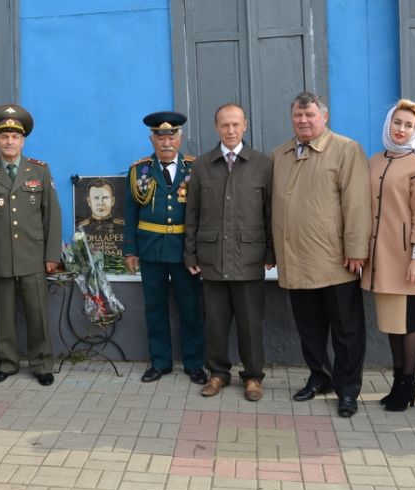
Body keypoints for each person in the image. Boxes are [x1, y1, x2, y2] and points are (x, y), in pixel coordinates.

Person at [271, 91, 371, 417]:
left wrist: (357, 249)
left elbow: (357, 203)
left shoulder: (345, 149)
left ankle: (348, 389)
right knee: (310, 329)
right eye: (298, 116)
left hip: (336, 261)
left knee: (346, 330)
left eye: (310, 115)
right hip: (295, 259)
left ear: (323, 117)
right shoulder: (280, 155)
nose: (303, 121)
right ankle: (319, 377)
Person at [0, 104, 62, 386]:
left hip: (34, 256)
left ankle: (42, 364)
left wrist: (52, 255)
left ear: (23, 141)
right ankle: (7, 363)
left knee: (37, 315)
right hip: (0, 258)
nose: (10, 141)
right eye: (4, 137)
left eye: (15, 137)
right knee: (4, 316)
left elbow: (52, 217)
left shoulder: (40, 171)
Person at [184, 103, 273, 400]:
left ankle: (253, 377)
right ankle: (218, 374)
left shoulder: (263, 164)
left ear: (245, 125)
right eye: (225, 125)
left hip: (249, 259)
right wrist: (191, 254)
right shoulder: (202, 165)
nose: (231, 130)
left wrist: (271, 252)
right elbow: (192, 214)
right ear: (216, 128)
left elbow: (270, 213)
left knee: (250, 324)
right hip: (212, 258)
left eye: (236, 124)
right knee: (216, 324)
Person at [123, 111, 206, 386]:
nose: (166, 143)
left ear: (180, 138)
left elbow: (204, 213)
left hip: (185, 252)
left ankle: (194, 364)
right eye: (160, 138)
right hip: (151, 252)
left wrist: (200, 251)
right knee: (155, 309)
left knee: (191, 309)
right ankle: (160, 362)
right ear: (152, 140)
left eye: (171, 137)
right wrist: (130, 250)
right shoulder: (139, 171)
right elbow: (131, 213)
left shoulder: (196, 168)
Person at [361, 100, 415, 412]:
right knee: (391, 322)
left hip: (404, 258)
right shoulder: (374, 161)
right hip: (378, 258)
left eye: (408, 125)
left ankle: (408, 382)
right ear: (388, 124)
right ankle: (397, 380)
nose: (401, 130)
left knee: (409, 322)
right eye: (397, 123)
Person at [77, 178, 125, 257]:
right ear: (89, 201)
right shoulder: (81, 227)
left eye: (105, 198)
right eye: (96, 198)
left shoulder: (122, 226)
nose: (101, 203)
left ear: (112, 200)